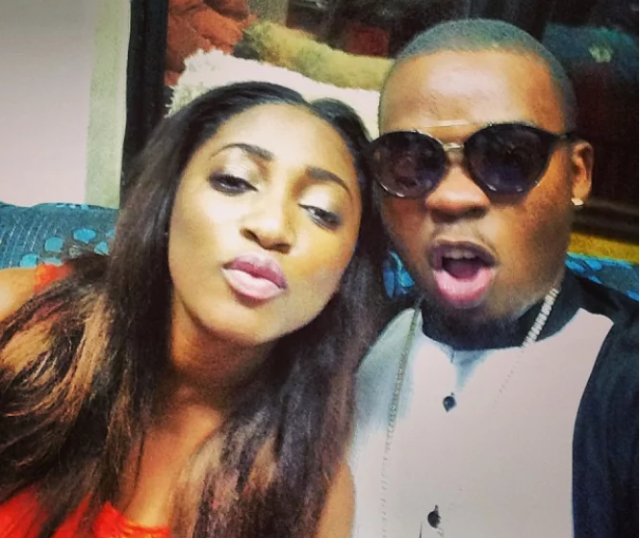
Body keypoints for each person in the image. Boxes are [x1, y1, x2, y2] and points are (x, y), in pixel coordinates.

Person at [0, 81, 390, 538]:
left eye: (320, 211)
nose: (271, 227)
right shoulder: (21, 319)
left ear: (345, 271)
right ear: (169, 203)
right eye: (234, 181)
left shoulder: (311, 495)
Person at [350, 19, 638, 538]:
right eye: (411, 163)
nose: (451, 197)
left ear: (577, 174)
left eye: (507, 158)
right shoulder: (344, 348)